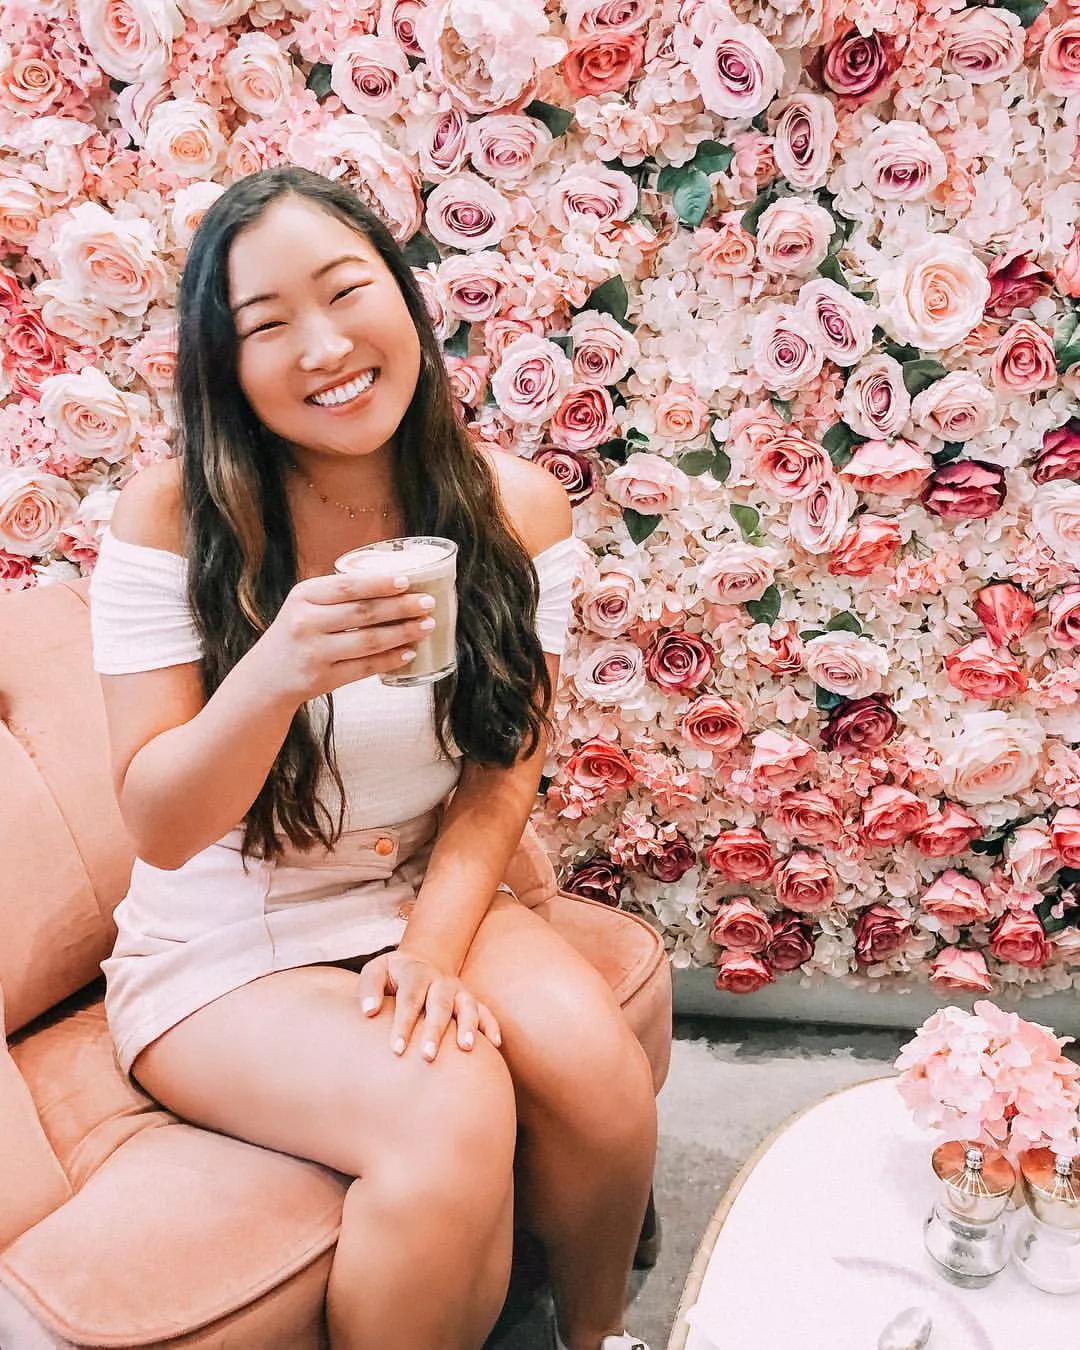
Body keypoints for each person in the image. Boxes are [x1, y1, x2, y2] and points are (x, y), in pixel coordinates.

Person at [88, 166, 657, 1350]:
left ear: (406, 300)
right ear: (224, 363)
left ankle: (597, 1339)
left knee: (598, 1082)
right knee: (447, 1110)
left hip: (416, 881)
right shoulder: (173, 518)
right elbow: (161, 825)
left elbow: (505, 766)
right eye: (267, 325)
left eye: (349, 291)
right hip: (224, 931)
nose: (325, 344)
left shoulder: (517, 508)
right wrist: (275, 670)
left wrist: (433, 947)